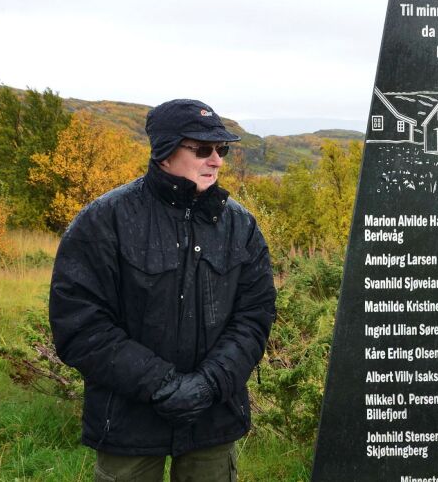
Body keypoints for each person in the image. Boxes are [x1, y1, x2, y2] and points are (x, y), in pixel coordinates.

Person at [49, 99, 276, 481]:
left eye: (222, 150)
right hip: (127, 419)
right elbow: (79, 323)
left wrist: (208, 385)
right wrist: (162, 385)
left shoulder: (240, 225)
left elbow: (254, 316)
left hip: (213, 417)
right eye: (202, 149)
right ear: (165, 151)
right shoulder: (106, 220)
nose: (217, 160)